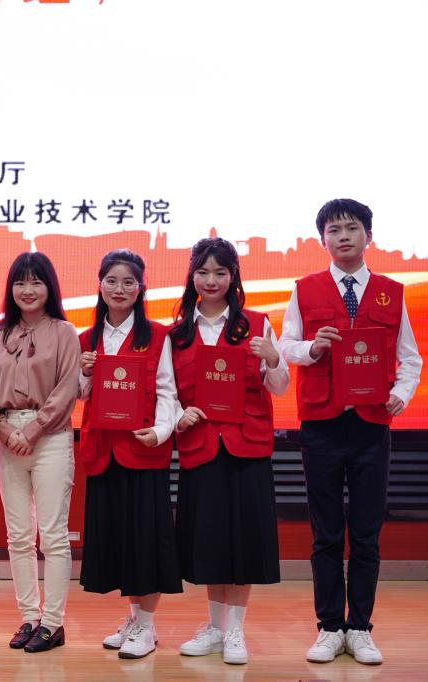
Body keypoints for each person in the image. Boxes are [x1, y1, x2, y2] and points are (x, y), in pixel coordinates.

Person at [280, 199, 422, 665]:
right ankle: (328, 627)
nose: (343, 236)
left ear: (368, 236)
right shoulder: (305, 289)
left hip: (371, 425)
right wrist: (312, 347)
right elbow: (285, 347)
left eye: (352, 228)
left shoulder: (391, 292)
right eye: (334, 229)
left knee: (365, 533)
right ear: (322, 239)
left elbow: (410, 357)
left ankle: (359, 627)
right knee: (325, 533)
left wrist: (401, 393)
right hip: (321, 424)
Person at [168, 237, 289, 665]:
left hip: (246, 447)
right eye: (203, 272)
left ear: (233, 276)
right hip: (200, 446)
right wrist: (179, 414)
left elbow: (279, 386)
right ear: (192, 277)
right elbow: (167, 392)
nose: (211, 280)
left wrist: (273, 358)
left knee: (244, 541)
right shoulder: (176, 333)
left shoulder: (257, 324)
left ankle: (235, 630)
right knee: (210, 540)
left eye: (220, 272)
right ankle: (216, 628)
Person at [77, 249, 182, 660]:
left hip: (143, 450)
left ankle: (147, 626)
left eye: (128, 282)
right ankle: (135, 619)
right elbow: (79, 395)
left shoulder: (157, 335)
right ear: (99, 285)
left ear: (140, 288)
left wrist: (159, 432)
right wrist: (85, 371)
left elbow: (168, 392)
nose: (118, 289)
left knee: (146, 542)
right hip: (104, 451)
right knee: (120, 541)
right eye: (111, 281)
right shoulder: (87, 338)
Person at [0, 252, 80, 654]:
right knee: (19, 536)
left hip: (51, 437)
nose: (28, 290)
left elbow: (66, 390)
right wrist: (7, 431)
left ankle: (52, 622)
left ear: (50, 288)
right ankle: (29, 617)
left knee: (54, 535)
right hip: (6, 436)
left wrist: (32, 430)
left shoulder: (64, 332)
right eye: (20, 282)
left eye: (36, 281)